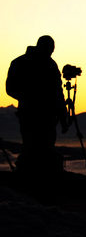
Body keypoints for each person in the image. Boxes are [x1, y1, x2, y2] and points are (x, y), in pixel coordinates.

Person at [5, 36, 68, 176]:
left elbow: (58, 93)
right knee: (30, 148)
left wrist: (63, 116)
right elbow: (10, 88)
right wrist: (32, 97)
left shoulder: (51, 64)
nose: (51, 52)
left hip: (48, 117)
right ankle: (28, 178)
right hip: (30, 115)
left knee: (46, 149)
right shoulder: (21, 62)